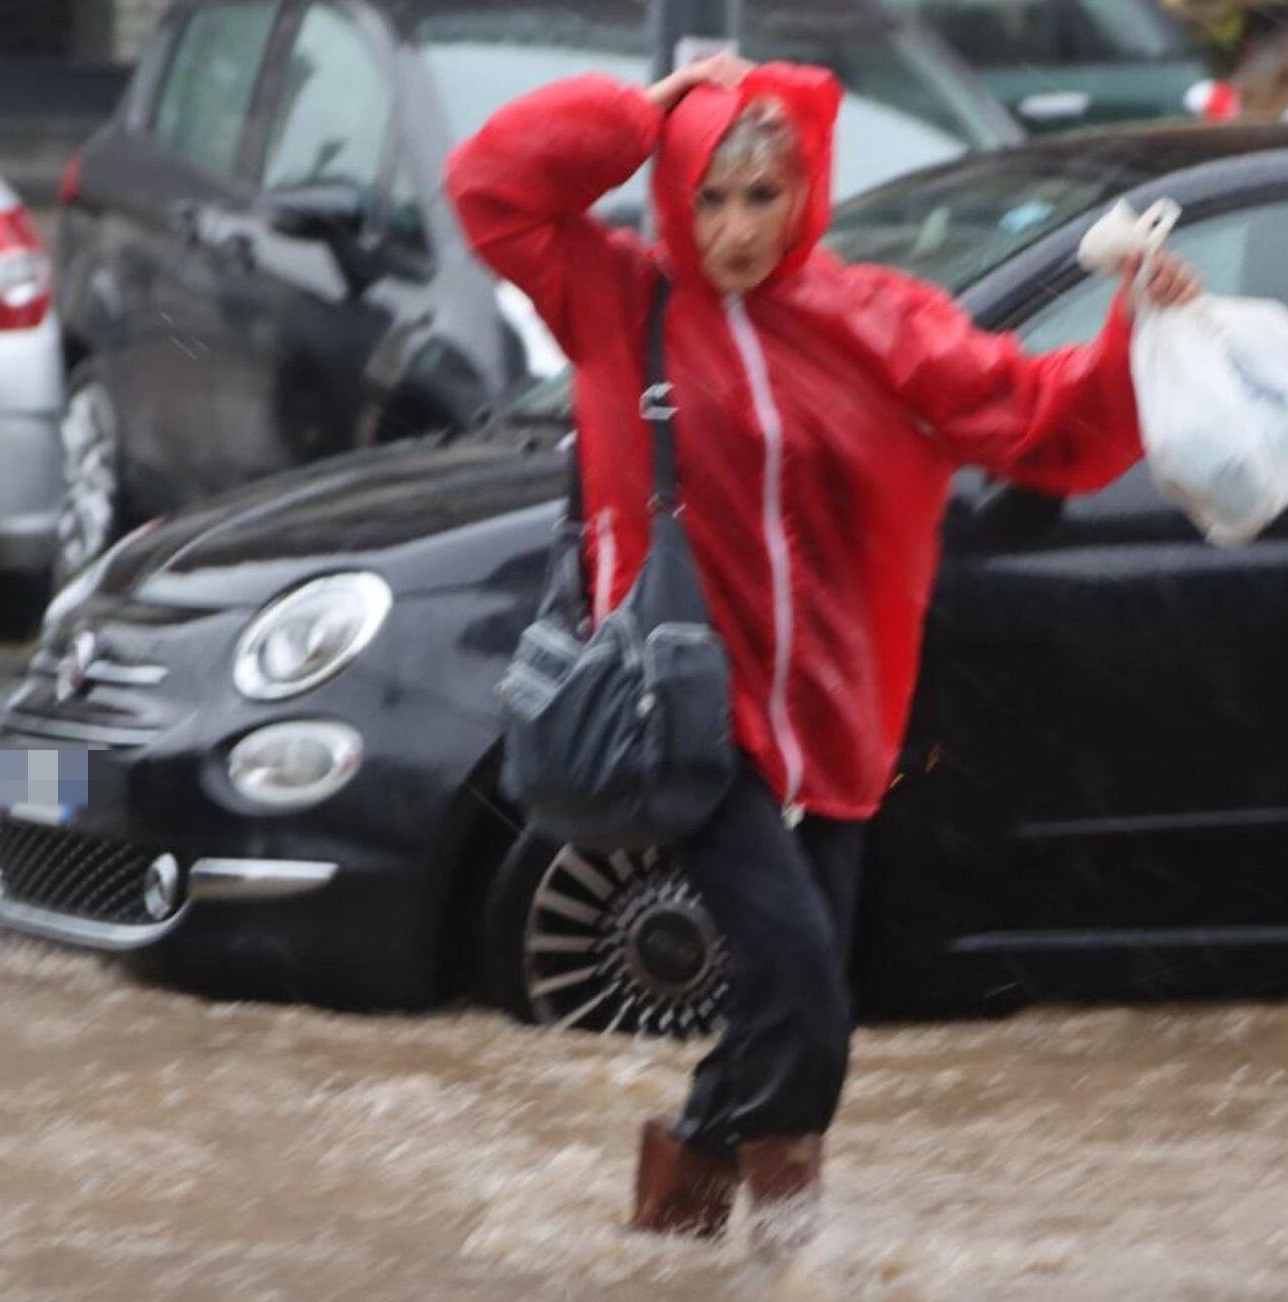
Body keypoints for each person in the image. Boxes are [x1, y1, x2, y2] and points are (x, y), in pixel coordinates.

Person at [445, 54, 1200, 1254]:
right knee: (805, 1000)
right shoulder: (607, 295)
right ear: (672, 195)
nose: (737, 229)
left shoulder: (876, 320)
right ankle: (792, 1258)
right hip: (692, 718)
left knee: (785, 1011)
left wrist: (1137, 326)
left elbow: (1042, 418)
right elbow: (491, 183)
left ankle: (671, 1240)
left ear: (808, 195)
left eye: (765, 195)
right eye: (710, 195)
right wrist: (639, 117)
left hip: (842, 730)